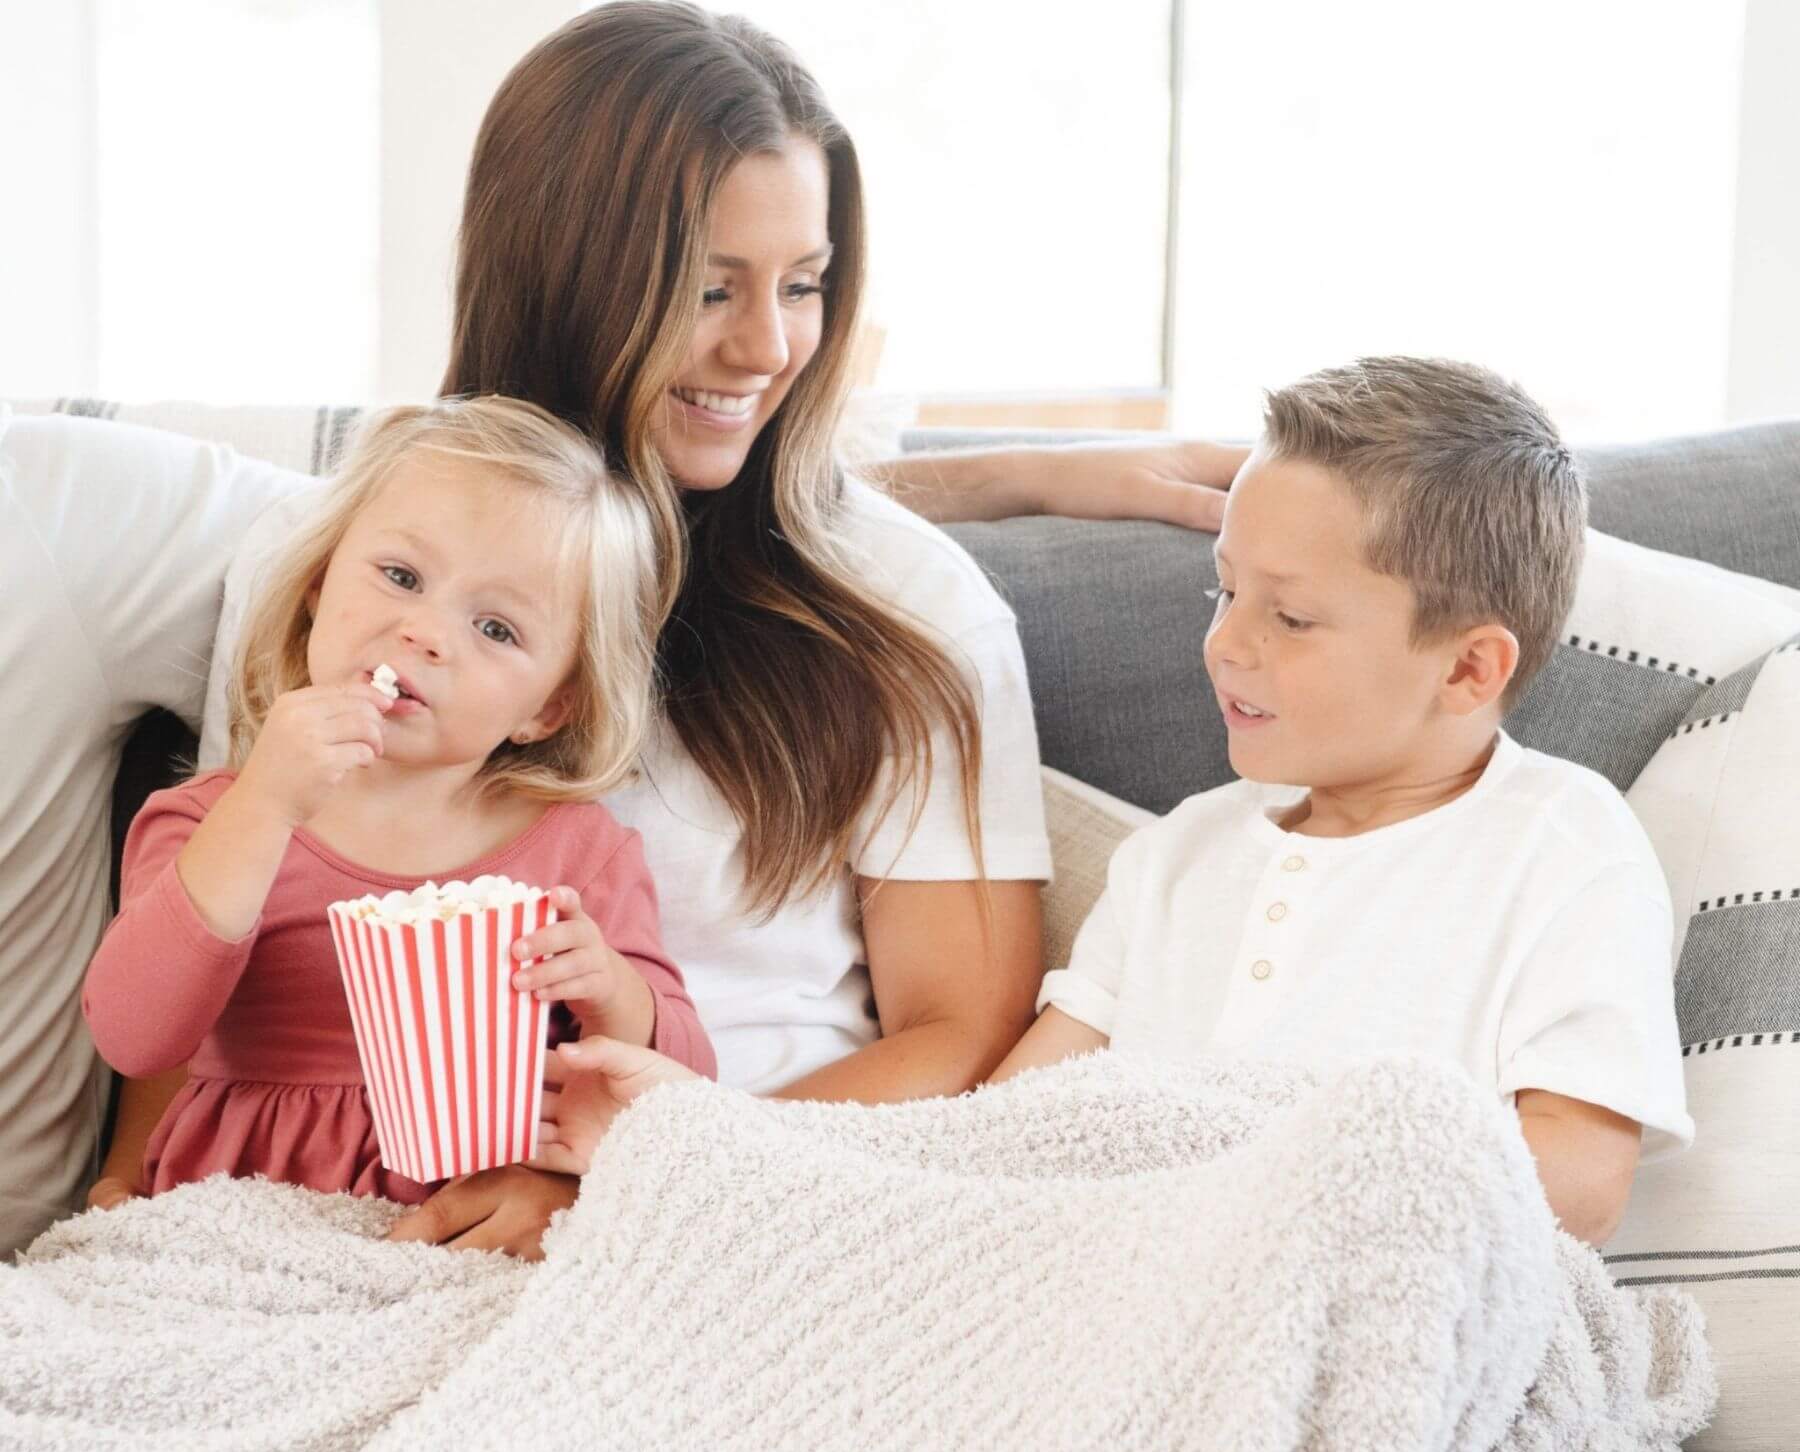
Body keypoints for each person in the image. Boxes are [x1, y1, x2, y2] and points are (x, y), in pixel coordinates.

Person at [7, 0, 1246, 1258]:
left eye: (804, 285)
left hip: (732, 1219)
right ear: (560, 272)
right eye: (712, 288)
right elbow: (220, 934)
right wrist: (123, 1193)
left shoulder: (910, 613)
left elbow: (963, 1040)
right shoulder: (345, 564)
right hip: (321, 1236)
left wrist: (631, 1184)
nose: (768, 348)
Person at [548, 357, 1695, 1249]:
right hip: (1122, 1284)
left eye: (1289, 618)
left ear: (1468, 669)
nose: (1227, 643)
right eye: (1225, 589)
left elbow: (1580, 1187)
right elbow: (1001, 1137)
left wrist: (1282, 1210)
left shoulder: (1562, 844)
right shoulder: (1185, 853)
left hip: (1372, 1291)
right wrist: (705, 1145)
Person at [81, 397, 712, 1209]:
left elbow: (687, 1086)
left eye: (495, 628)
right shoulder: (209, 819)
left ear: (547, 711)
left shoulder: (580, 857)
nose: (426, 633)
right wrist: (265, 806)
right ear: (316, 588)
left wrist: (613, 993)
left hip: (473, 1230)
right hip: (235, 1219)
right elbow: (134, 1034)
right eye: (402, 577)